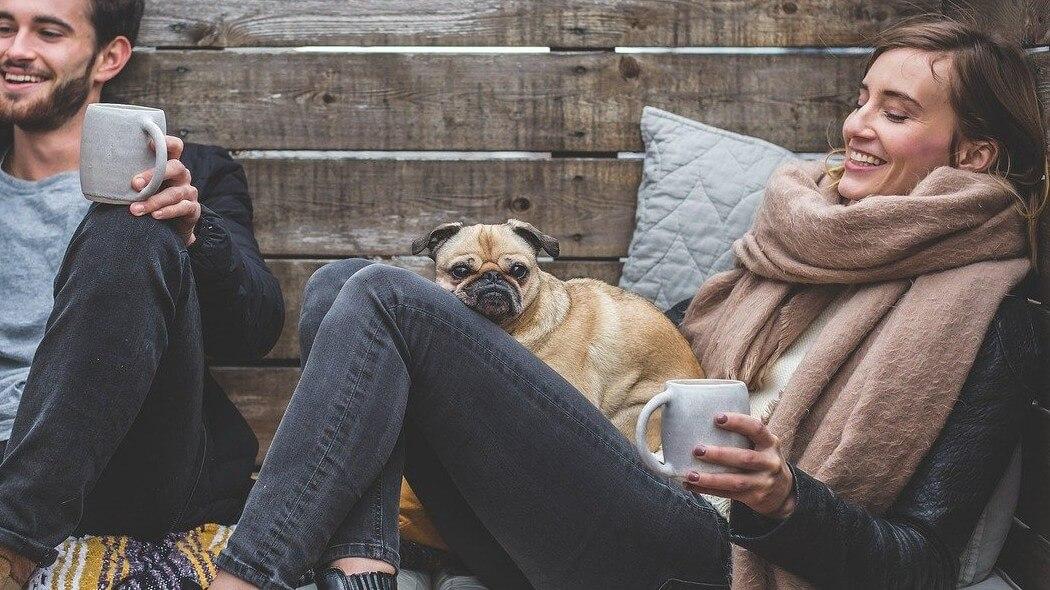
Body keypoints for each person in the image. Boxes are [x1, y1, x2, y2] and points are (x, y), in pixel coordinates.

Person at [210, 18, 1044, 590]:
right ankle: (363, 571)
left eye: (894, 113)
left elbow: (925, 565)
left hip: (707, 557)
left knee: (386, 297)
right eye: (861, 97)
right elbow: (671, 349)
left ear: (972, 152)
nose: (858, 125)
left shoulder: (984, 314)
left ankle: (248, 573)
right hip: (607, 506)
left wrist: (785, 500)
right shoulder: (805, 237)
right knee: (334, 291)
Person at [0, 0, 284, 586]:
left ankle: (11, 544)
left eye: (47, 32)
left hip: (133, 468)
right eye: (3, 28)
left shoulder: (192, 173)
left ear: (110, 57)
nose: (15, 50)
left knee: (132, 222)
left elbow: (256, 329)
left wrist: (193, 232)